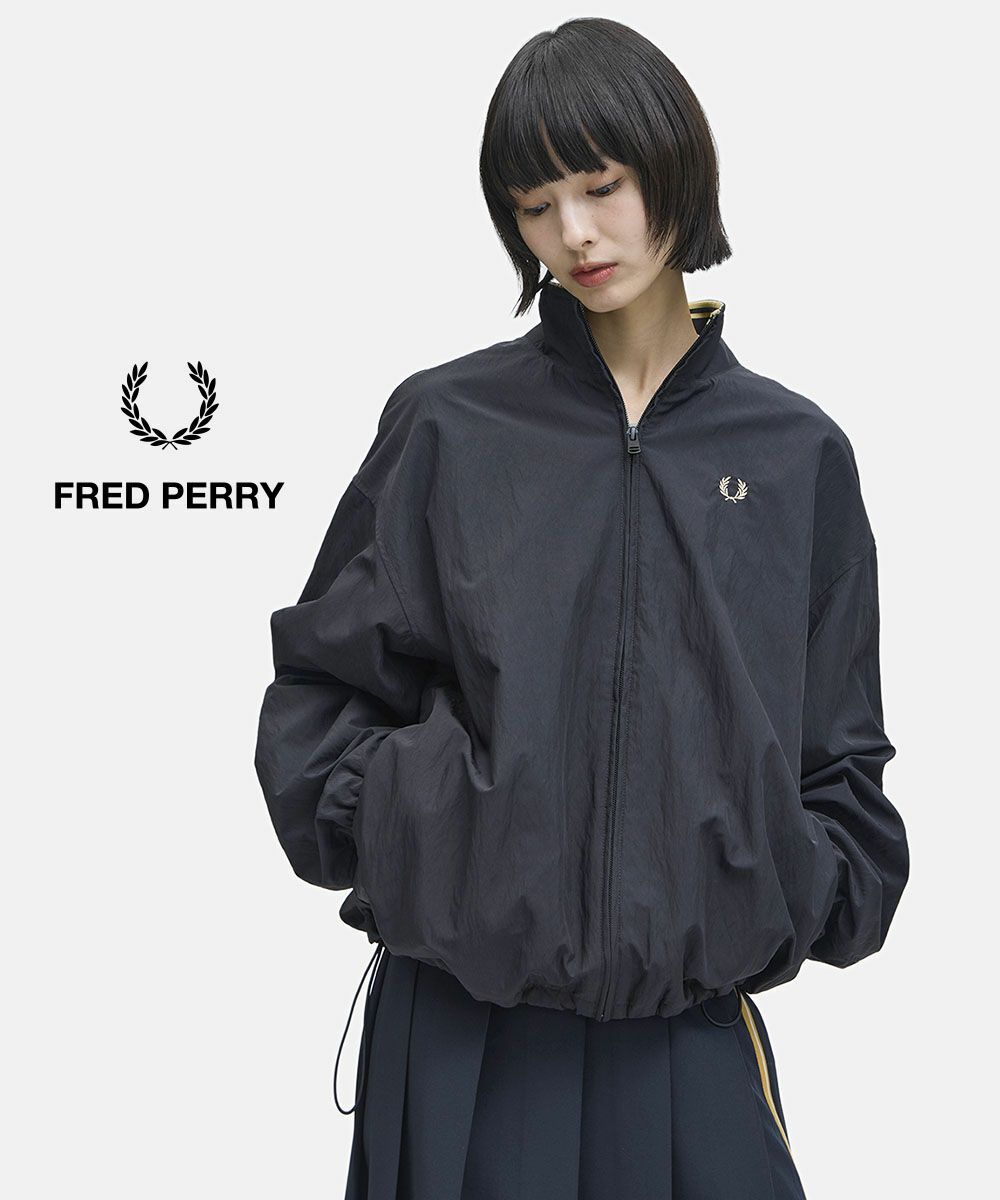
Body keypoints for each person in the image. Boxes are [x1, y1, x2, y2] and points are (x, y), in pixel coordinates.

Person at [254, 17, 909, 1200]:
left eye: (602, 186)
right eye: (535, 205)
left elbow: (840, 758)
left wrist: (772, 881)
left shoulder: (794, 453)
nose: (576, 234)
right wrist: (430, 828)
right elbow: (319, 700)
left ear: (674, 170)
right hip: (459, 1035)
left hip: (687, 1036)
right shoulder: (448, 425)